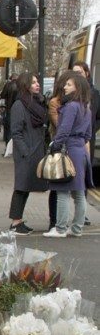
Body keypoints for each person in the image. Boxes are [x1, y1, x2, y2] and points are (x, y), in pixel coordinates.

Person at [43, 71, 93, 238]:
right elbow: (88, 135)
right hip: (81, 151)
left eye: (69, 84)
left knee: (62, 190)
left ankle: (60, 228)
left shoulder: (71, 107)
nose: (64, 87)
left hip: (68, 149)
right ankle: (77, 228)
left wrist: (54, 146)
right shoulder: (86, 107)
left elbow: (63, 131)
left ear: (77, 88)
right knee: (79, 192)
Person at [7, 71, 48, 234]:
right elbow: (15, 132)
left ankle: (19, 220)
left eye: (37, 82)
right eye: (33, 82)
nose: (37, 85)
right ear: (25, 85)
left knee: (26, 187)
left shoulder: (36, 102)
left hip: (36, 151)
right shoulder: (19, 105)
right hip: (26, 153)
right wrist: (26, 151)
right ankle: (15, 223)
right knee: (21, 187)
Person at [71, 61, 99, 222]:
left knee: (83, 176)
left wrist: (92, 128)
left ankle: (82, 215)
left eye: (80, 72)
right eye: (74, 72)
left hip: (87, 140)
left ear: (87, 74)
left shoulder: (94, 94)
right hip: (72, 141)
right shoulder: (68, 93)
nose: (77, 76)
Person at [45, 73, 67, 230]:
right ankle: (54, 221)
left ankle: (63, 221)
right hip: (58, 147)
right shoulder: (55, 102)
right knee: (56, 184)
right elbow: (58, 124)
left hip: (71, 147)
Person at [0, 74, 18, 148]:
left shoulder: (8, 85)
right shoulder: (20, 86)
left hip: (9, 109)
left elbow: (2, 95)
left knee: (8, 129)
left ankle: (8, 148)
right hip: (17, 110)